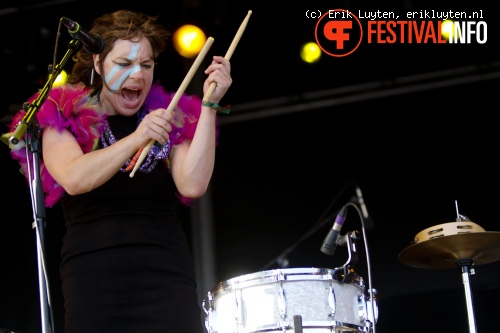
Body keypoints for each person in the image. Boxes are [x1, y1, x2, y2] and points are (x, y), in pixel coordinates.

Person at [6, 9, 232, 333]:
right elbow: (73, 178)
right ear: (98, 64)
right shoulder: (62, 112)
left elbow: (192, 185)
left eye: (147, 65)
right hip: (95, 281)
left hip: (166, 278)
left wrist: (210, 105)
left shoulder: (170, 115)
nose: (137, 75)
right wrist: (137, 138)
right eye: (124, 64)